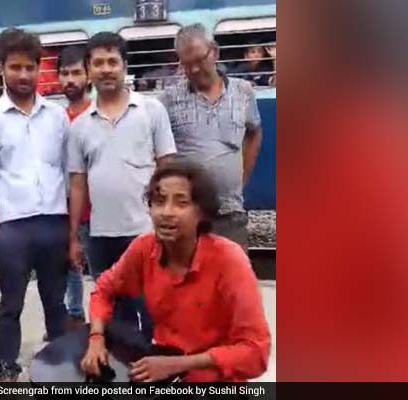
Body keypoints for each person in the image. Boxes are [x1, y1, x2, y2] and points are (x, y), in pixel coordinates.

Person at [81, 161, 271, 382]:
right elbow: (104, 290)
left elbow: (256, 352)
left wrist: (178, 364)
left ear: (202, 212)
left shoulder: (230, 261)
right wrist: (96, 338)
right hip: (161, 374)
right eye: (159, 202)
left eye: (181, 203)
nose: (166, 213)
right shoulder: (144, 248)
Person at [0, 28, 70, 382]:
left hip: (54, 223)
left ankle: (62, 365)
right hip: (13, 228)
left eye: (30, 67)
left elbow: (66, 172)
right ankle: (8, 366)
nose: (24, 75)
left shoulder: (57, 116)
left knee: (55, 303)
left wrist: (70, 230)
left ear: (38, 68)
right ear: (2, 68)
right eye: (15, 67)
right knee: (10, 305)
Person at [67, 32, 176, 342]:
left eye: (112, 61)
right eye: (98, 63)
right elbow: (77, 184)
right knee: (118, 314)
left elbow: (168, 168)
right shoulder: (80, 126)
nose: (105, 69)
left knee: (155, 307)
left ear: (125, 66)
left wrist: (167, 220)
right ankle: (130, 375)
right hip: (102, 236)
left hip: (147, 231)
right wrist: (74, 236)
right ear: (89, 70)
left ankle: (161, 374)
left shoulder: (151, 111)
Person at [159, 24, 263, 250]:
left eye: (199, 60)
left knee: (232, 281)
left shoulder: (243, 92)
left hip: (231, 215)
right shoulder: (168, 100)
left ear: (214, 51)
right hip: (188, 217)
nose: (194, 69)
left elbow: (254, 132)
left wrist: (241, 178)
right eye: (186, 64)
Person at [57, 45, 92, 331]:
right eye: (65, 73)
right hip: (67, 207)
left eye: (76, 73)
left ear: (88, 75)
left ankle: (110, 322)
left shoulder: (97, 114)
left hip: (98, 210)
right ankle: (75, 314)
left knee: (105, 270)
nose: (70, 80)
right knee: (71, 266)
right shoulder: (56, 119)